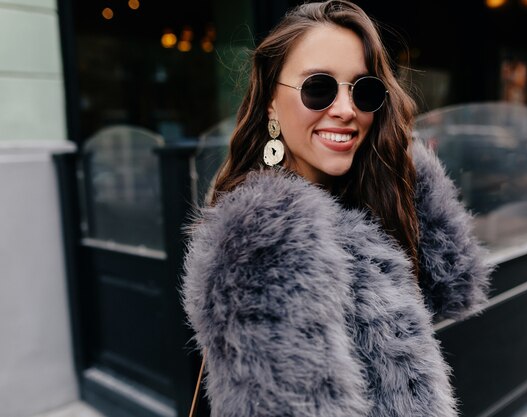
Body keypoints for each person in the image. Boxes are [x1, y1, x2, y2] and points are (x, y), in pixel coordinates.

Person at [182, 1, 491, 416]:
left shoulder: (378, 208)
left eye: (363, 90)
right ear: (271, 101)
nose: (346, 110)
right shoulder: (264, 244)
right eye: (318, 87)